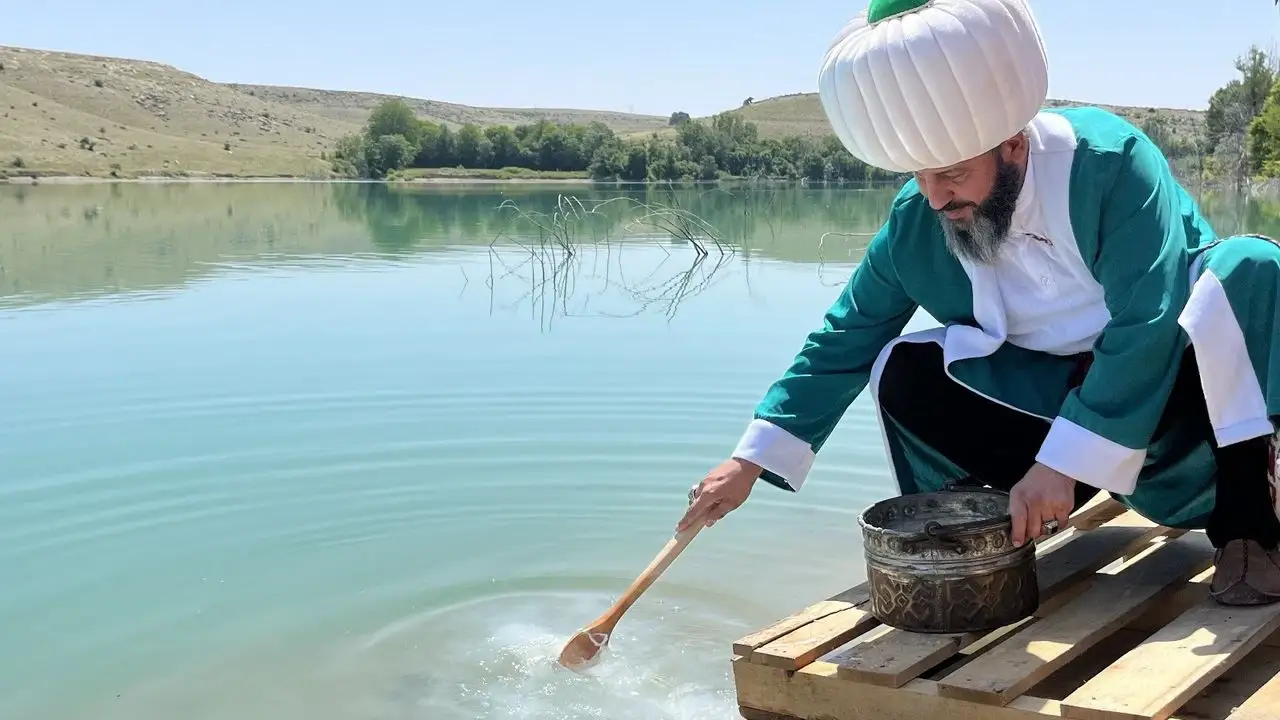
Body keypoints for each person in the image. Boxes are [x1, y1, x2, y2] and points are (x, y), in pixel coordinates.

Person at [678, 0, 1280, 606]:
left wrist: (1065, 461)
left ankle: (1251, 532)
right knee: (905, 368)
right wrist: (748, 462)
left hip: (1179, 389)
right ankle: (984, 537)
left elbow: (1148, 320)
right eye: (920, 175)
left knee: (1251, 268)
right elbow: (844, 339)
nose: (936, 198)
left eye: (953, 175)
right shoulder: (918, 222)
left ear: (1014, 146)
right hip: (1049, 399)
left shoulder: (1111, 164)